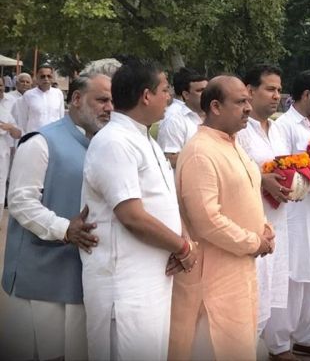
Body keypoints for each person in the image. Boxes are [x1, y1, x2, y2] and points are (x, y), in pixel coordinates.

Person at [1, 60, 119, 360]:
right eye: (102, 100)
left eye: (114, 101)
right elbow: (20, 201)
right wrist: (64, 228)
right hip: (41, 279)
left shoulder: (109, 145)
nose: (109, 108)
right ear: (76, 99)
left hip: (86, 280)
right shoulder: (41, 142)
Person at [81, 58, 197, 360]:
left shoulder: (144, 138)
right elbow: (131, 216)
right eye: (165, 90)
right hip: (125, 286)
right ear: (146, 96)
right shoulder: (115, 142)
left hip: (152, 278)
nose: (168, 97)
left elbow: (163, 200)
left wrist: (179, 238)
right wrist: (182, 247)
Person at [168, 75, 274, 360]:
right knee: (213, 347)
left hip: (238, 267)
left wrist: (263, 230)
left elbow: (243, 197)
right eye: (240, 102)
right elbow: (207, 221)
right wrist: (253, 241)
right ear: (215, 106)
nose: (248, 108)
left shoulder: (232, 143)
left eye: (248, 101)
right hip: (213, 274)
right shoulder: (201, 152)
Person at [268, 70, 310, 360]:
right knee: (293, 276)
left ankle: (309, 337)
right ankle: (280, 343)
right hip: (295, 213)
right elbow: (282, 168)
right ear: (306, 95)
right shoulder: (283, 126)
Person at [237, 64, 293, 356]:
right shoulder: (239, 130)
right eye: (270, 89)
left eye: (279, 90)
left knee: (268, 303)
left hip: (277, 225)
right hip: (249, 228)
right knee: (250, 308)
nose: (276, 96)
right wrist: (262, 180)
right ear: (249, 90)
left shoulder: (277, 129)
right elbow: (230, 173)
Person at [157, 67, 208, 167]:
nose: (206, 94)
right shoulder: (175, 120)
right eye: (200, 90)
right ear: (186, 94)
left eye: (208, 89)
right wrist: (204, 155)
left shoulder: (215, 116)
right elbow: (169, 159)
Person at [11, 65, 65, 134]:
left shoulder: (58, 93)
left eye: (49, 76)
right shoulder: (28, 95)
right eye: (43, 76)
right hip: (35, 137)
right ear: (37, 78)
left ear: (52, 78)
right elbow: (22, 120)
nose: (46, 79)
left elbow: (61, 117)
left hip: (54, 136)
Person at [0, 78, 22, 210]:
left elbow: (17, 133)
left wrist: (9, 127)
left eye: (0, 85)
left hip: (3, 150)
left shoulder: (9, 104)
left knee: (1, 183)